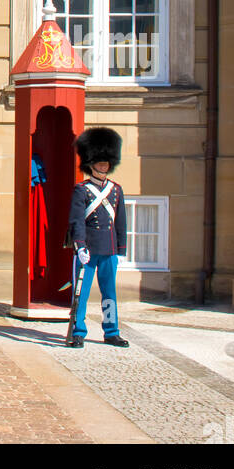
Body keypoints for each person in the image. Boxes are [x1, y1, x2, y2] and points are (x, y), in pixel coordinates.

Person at [66, 127, 129, 349]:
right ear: (91, 163)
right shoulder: (82, 190)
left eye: (106, 162)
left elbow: (120, 222)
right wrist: (80, 247)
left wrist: (121, 250)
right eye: (100, 162)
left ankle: (111, 331)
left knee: (109, 293)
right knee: (81, 294)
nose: (103, 166)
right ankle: (78, 331)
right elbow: (77, 221)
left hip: (109, 249)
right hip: (89, 250)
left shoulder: (116, 190)